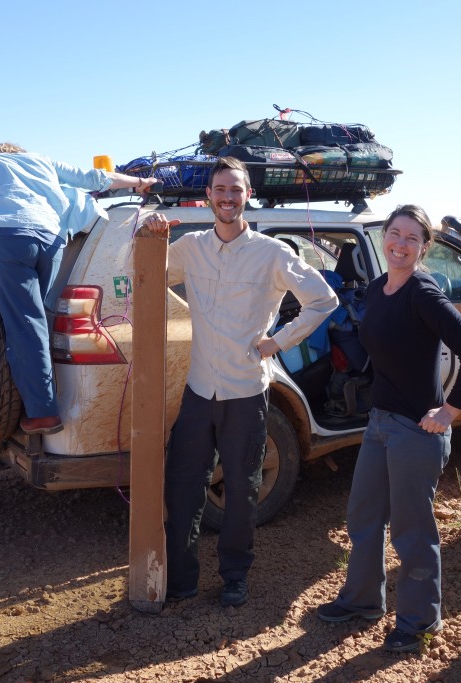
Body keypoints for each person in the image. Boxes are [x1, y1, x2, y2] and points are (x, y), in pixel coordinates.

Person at [138, 156, 338, 607]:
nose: (228, 198)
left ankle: (234, 577)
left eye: (236, 190)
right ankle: (182, 579)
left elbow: (324, 300)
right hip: (200, 389)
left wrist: (278, 341)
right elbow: (146, 273)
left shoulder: (272, 254)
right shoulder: (191, 248)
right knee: (184, 486)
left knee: (243, 491)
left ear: (249, 196)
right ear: (208, 196)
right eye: (220, 189)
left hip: (247, 391)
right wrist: (146, 228)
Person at [316, 205, 461, 653]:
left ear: (424, 246)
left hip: (417, 430)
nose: (399, 243)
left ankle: (418, 620)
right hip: (379, 423)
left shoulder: (423, 293)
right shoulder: (378, 288)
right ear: (383, 238)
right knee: (363, 516)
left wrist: (449, 412)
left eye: (411, 238)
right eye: (394, 234)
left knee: (412, 531)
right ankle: (361, 601)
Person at [0, 143, 156, 435]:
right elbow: (96, 178)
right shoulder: (41, 161)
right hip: (51, 238)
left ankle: (42, 412)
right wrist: (141, 183)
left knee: (25, 325)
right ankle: (47, 395)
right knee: (40, 317)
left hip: (12, 237)